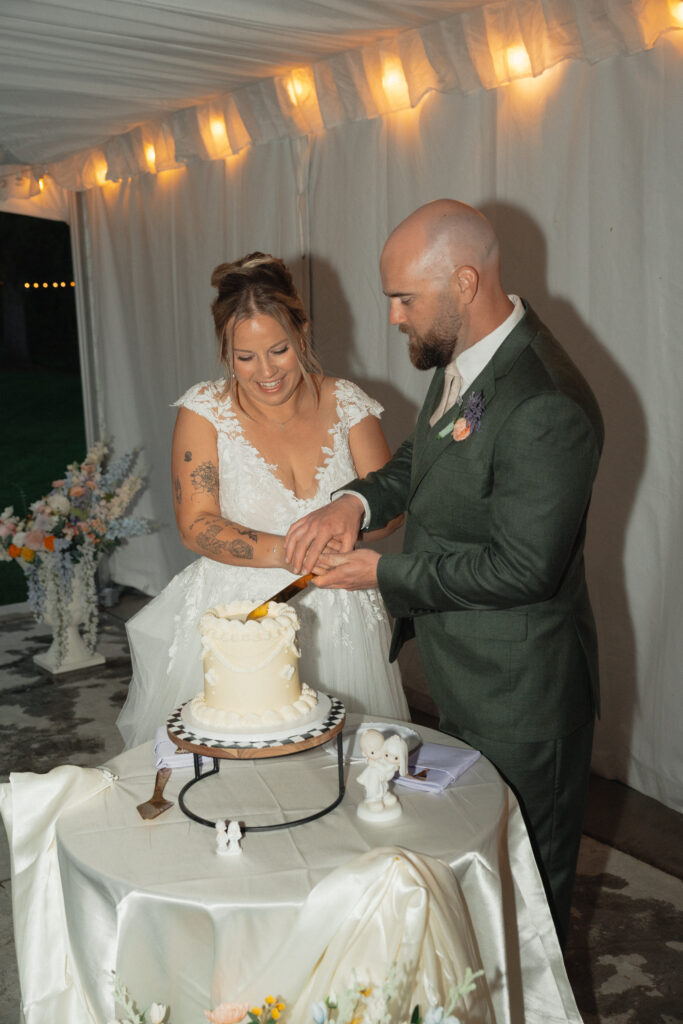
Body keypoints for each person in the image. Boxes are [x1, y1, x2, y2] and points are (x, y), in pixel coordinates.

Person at [285, 200, 604, 948]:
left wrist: (384, 575)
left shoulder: (545, 403)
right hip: (465, 675)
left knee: (525, 897)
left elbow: (524, 568)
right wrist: (355, 503)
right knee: (474, 877)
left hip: (522, 697)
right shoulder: (469, 353)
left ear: (464, 282)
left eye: (404, 298)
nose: (393, 317)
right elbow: (423, 460)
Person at [116, 253, 409, 749]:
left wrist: (345, 526)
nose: (265, 372)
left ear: (302, 334)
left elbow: (391, 510)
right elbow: (196, 524)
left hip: (343, 613)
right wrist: (295, 550)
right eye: (245, 357)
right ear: (224, 351)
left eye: (279, 350)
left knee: (349, 766)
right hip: (241, 620)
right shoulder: (204, 410)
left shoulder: (348, 402)